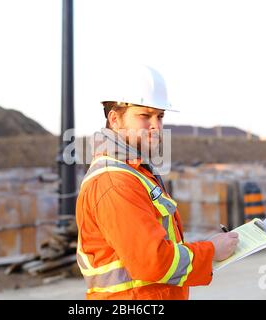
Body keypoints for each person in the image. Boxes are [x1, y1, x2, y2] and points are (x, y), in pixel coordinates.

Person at [76, 64, 239, 300]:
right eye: (145, 115)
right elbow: (152, 261)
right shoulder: (115, 182)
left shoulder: (136, 173)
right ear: (114, 119)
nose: (156, 126)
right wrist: (211, 250)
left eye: (160, 116)